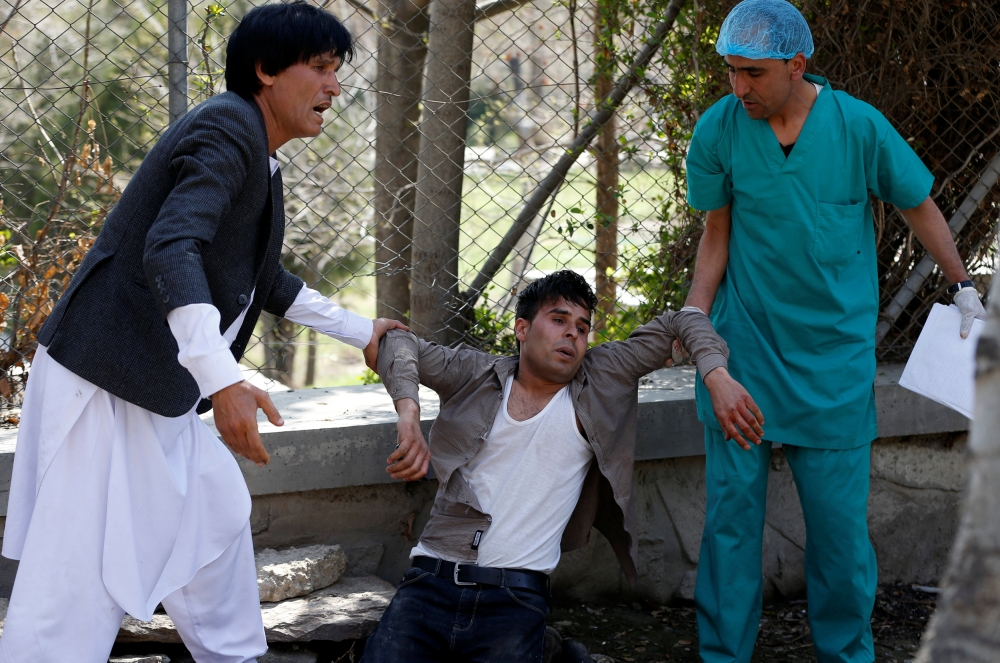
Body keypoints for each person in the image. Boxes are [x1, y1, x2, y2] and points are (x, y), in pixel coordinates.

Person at [0, 4, 424, 662]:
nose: (334, 88)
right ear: (263, 70)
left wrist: (359, 330)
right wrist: (223, 377)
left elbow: (258, 275)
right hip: (106, 384)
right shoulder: (228, 129)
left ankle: (234, 655)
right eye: (319, 68)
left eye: (336, 71)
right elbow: (171, 250)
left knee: (215, 515)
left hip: (150, 388)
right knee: (74, 580)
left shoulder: (255, 153)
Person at [680, 2, 987, 662]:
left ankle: (848, 654)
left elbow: (917, 203)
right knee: (731, 526)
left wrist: (963, 286)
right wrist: (697, 316)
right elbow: (716, 235)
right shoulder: (719, 130)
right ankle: (721, 655)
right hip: (746, 355)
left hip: (833, 362)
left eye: (754, 73)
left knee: (840, 535)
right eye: (731, 71)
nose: (739, 87)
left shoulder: (858, 127)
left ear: (797, 64)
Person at [361, 270, 762, 662]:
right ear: (522, 329)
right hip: (429, 584)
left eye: (583, 327)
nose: (572, 333)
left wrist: (717, 376)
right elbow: (397, 342)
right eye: (558, 320)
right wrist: (409, 415)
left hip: (514, 596)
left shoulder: (603, 375)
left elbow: (685, 319)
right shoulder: (475, 374)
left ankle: (547, 647)